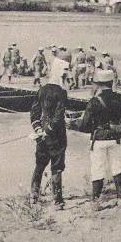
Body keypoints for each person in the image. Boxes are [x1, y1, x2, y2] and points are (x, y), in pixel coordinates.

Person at [69, 69, 121, 211]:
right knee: (118, 168)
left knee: (98, 169)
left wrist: (72, 124)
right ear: (111, 82)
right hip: (115, 138)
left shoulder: (95, 101)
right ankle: (120, 199)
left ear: (99, 85)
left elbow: (84, 125)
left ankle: (95, 202)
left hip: (99, 139)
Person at [29, 57, 69, 210]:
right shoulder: (61, 92)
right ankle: (57, 200)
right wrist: (49, 130)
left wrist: (39, 129)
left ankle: (34, 196)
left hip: (41, 137)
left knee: (39, 165)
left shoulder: (42, 90)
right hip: (57, 136)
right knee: (57, 167)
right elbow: (59, 116)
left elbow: (34, 113)